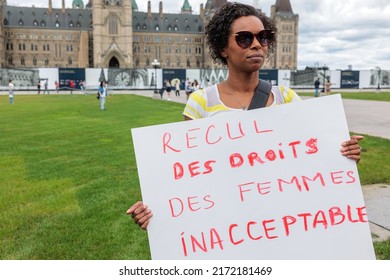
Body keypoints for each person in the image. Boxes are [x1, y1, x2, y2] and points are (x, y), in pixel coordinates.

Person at [127, 2, 363, 230]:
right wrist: (154, 208)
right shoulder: (201, 102)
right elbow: (189, 174)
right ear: (222, 48)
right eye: (244, 38)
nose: (257, 44)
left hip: (281, 220)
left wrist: (342, 154)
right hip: (228, 224)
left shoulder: (287, 98)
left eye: (263, 37)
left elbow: (312, 159)